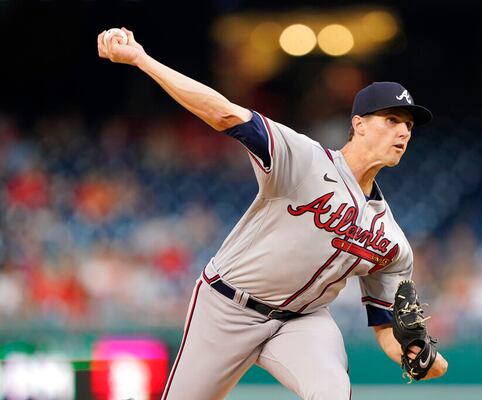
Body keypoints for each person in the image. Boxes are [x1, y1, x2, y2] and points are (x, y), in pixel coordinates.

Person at [97, 27, 448, 400]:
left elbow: (387, 332)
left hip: (302, 321)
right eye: (391, 120)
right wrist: (141, 59)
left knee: (332, 390)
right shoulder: (303, 159)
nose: (403, 132)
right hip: (227, 306)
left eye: (408, 126)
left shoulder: (392, 242)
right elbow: (222, 113)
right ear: (358, 124)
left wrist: (426, 359)